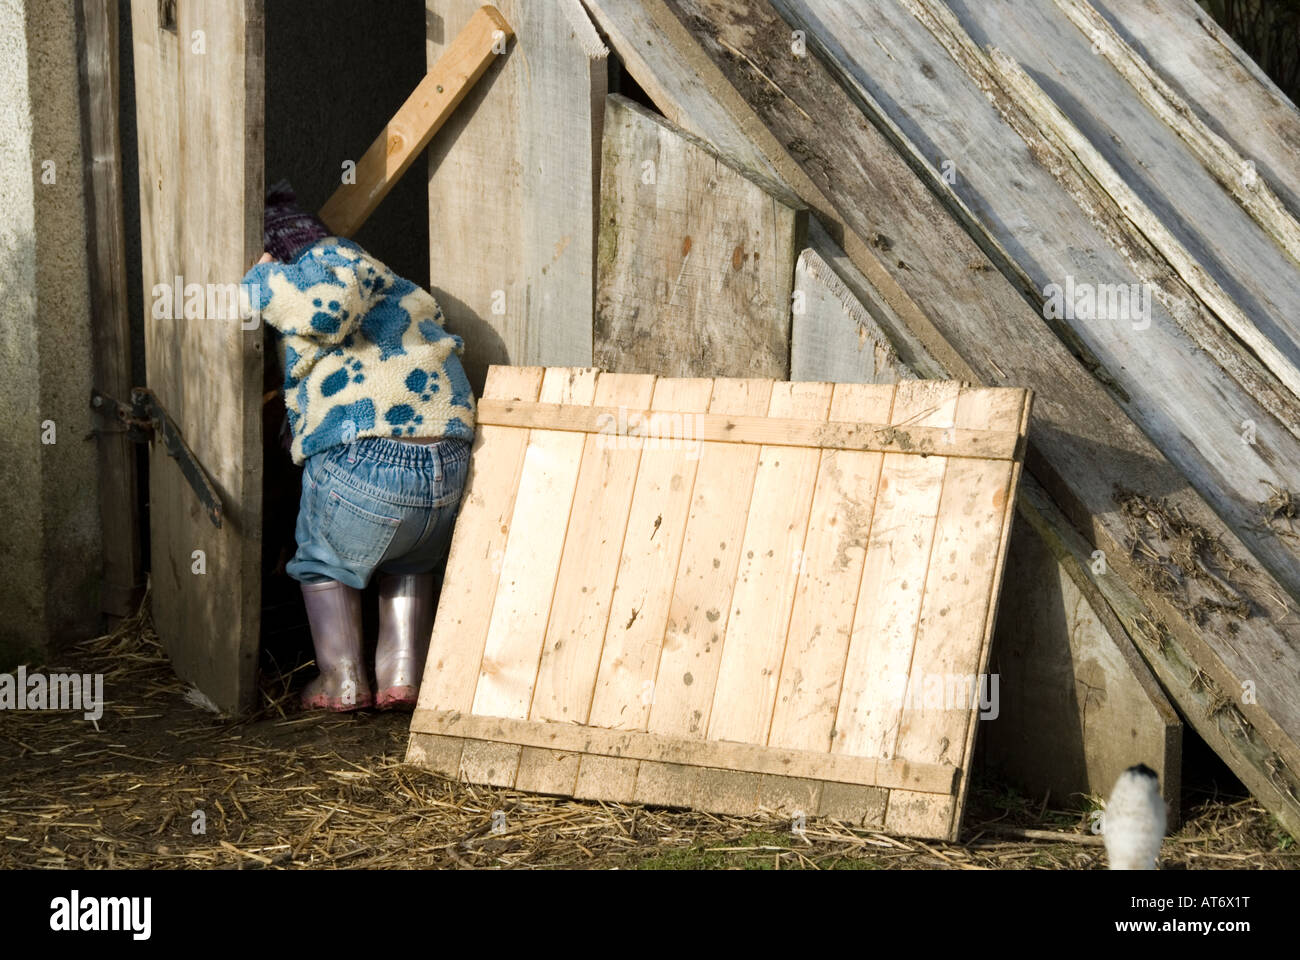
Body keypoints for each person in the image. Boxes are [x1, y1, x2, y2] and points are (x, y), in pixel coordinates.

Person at [241, 181, 475, 711]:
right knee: (411, 563)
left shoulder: (313, 268)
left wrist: (260, 280)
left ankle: (341, 681)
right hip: (450, 456)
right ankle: (401, 678)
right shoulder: (383, 277)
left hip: (367, 457)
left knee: (323, 561)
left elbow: (326, 313)